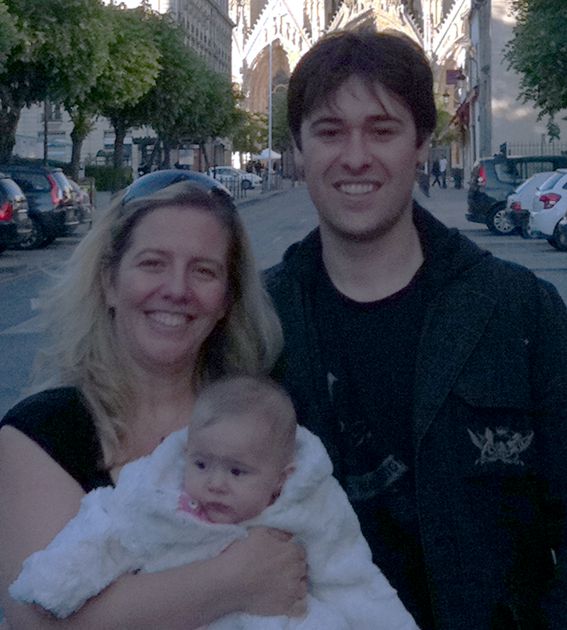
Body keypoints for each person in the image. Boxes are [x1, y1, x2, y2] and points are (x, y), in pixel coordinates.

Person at [265, 28, 567, 629]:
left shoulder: (520, 312)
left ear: (422, 144)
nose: (355, 157)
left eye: (382, 130)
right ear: (297, 149)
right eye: (329, 131)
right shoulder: (254, 323)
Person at [0, 170, 308, 629]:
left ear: (226, 299)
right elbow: (40, 622)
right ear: (109, 282)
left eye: (203, 271)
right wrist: (236, 579)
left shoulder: (259, 419)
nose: (177, 289)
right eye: (152, 264)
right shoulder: (42, 434)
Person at [9, 375, 417, 629]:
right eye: (202, 464)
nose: (215, 484)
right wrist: (52, 582)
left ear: (281, 477)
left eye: (237, 472)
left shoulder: (307, 505)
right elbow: (103, 535)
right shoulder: (159, 497)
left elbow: (350, 578)